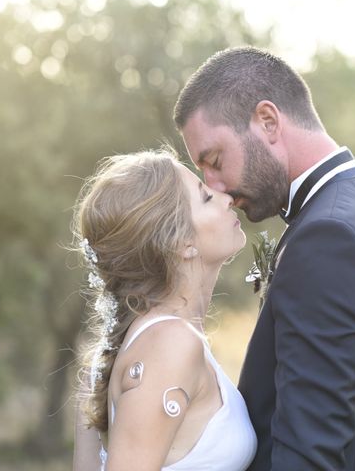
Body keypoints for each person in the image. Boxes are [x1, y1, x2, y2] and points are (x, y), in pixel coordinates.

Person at [174, 47, 355, 470]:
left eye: (214, 161)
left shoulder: (330, 239)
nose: (215, 187)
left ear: (268, 121)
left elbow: (308, 454)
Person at [71, 150, 257, 471]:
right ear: (180, 243)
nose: (225, 196)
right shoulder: (170, 343)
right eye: (205, 198)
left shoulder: (153, 341)